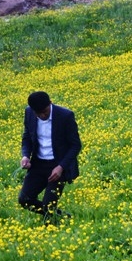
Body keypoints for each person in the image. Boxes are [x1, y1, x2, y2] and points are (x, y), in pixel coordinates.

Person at [19, 91, 82, 224]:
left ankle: (51, 225)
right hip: (38, 164)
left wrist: (61, 167)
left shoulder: (65, 116)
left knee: (49, 205)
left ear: (50, 103)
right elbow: (27, 137)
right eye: (38, 113)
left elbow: (75, 145)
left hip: (58, 165)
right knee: (24, 199)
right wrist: (25, 155)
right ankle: (61, 216)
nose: (42, 115)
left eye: (45, 112)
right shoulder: (29, 113)